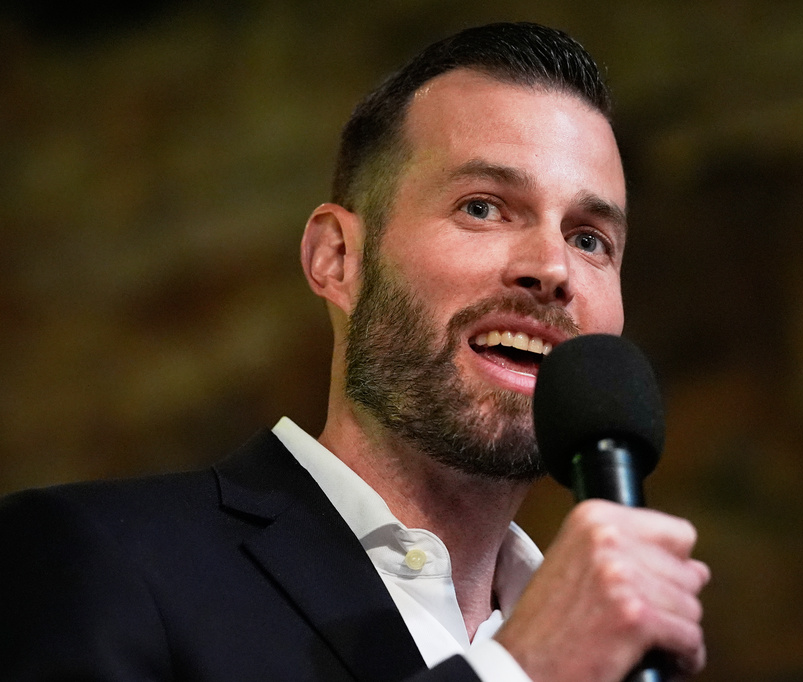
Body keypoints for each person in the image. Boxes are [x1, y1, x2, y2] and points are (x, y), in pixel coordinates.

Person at [0, 22, 709, 682]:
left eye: (591, 239)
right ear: (337, 258)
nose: (553, 268)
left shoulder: (620, 644)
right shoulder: (95, 559)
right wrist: (520, 667)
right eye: (484, 206)